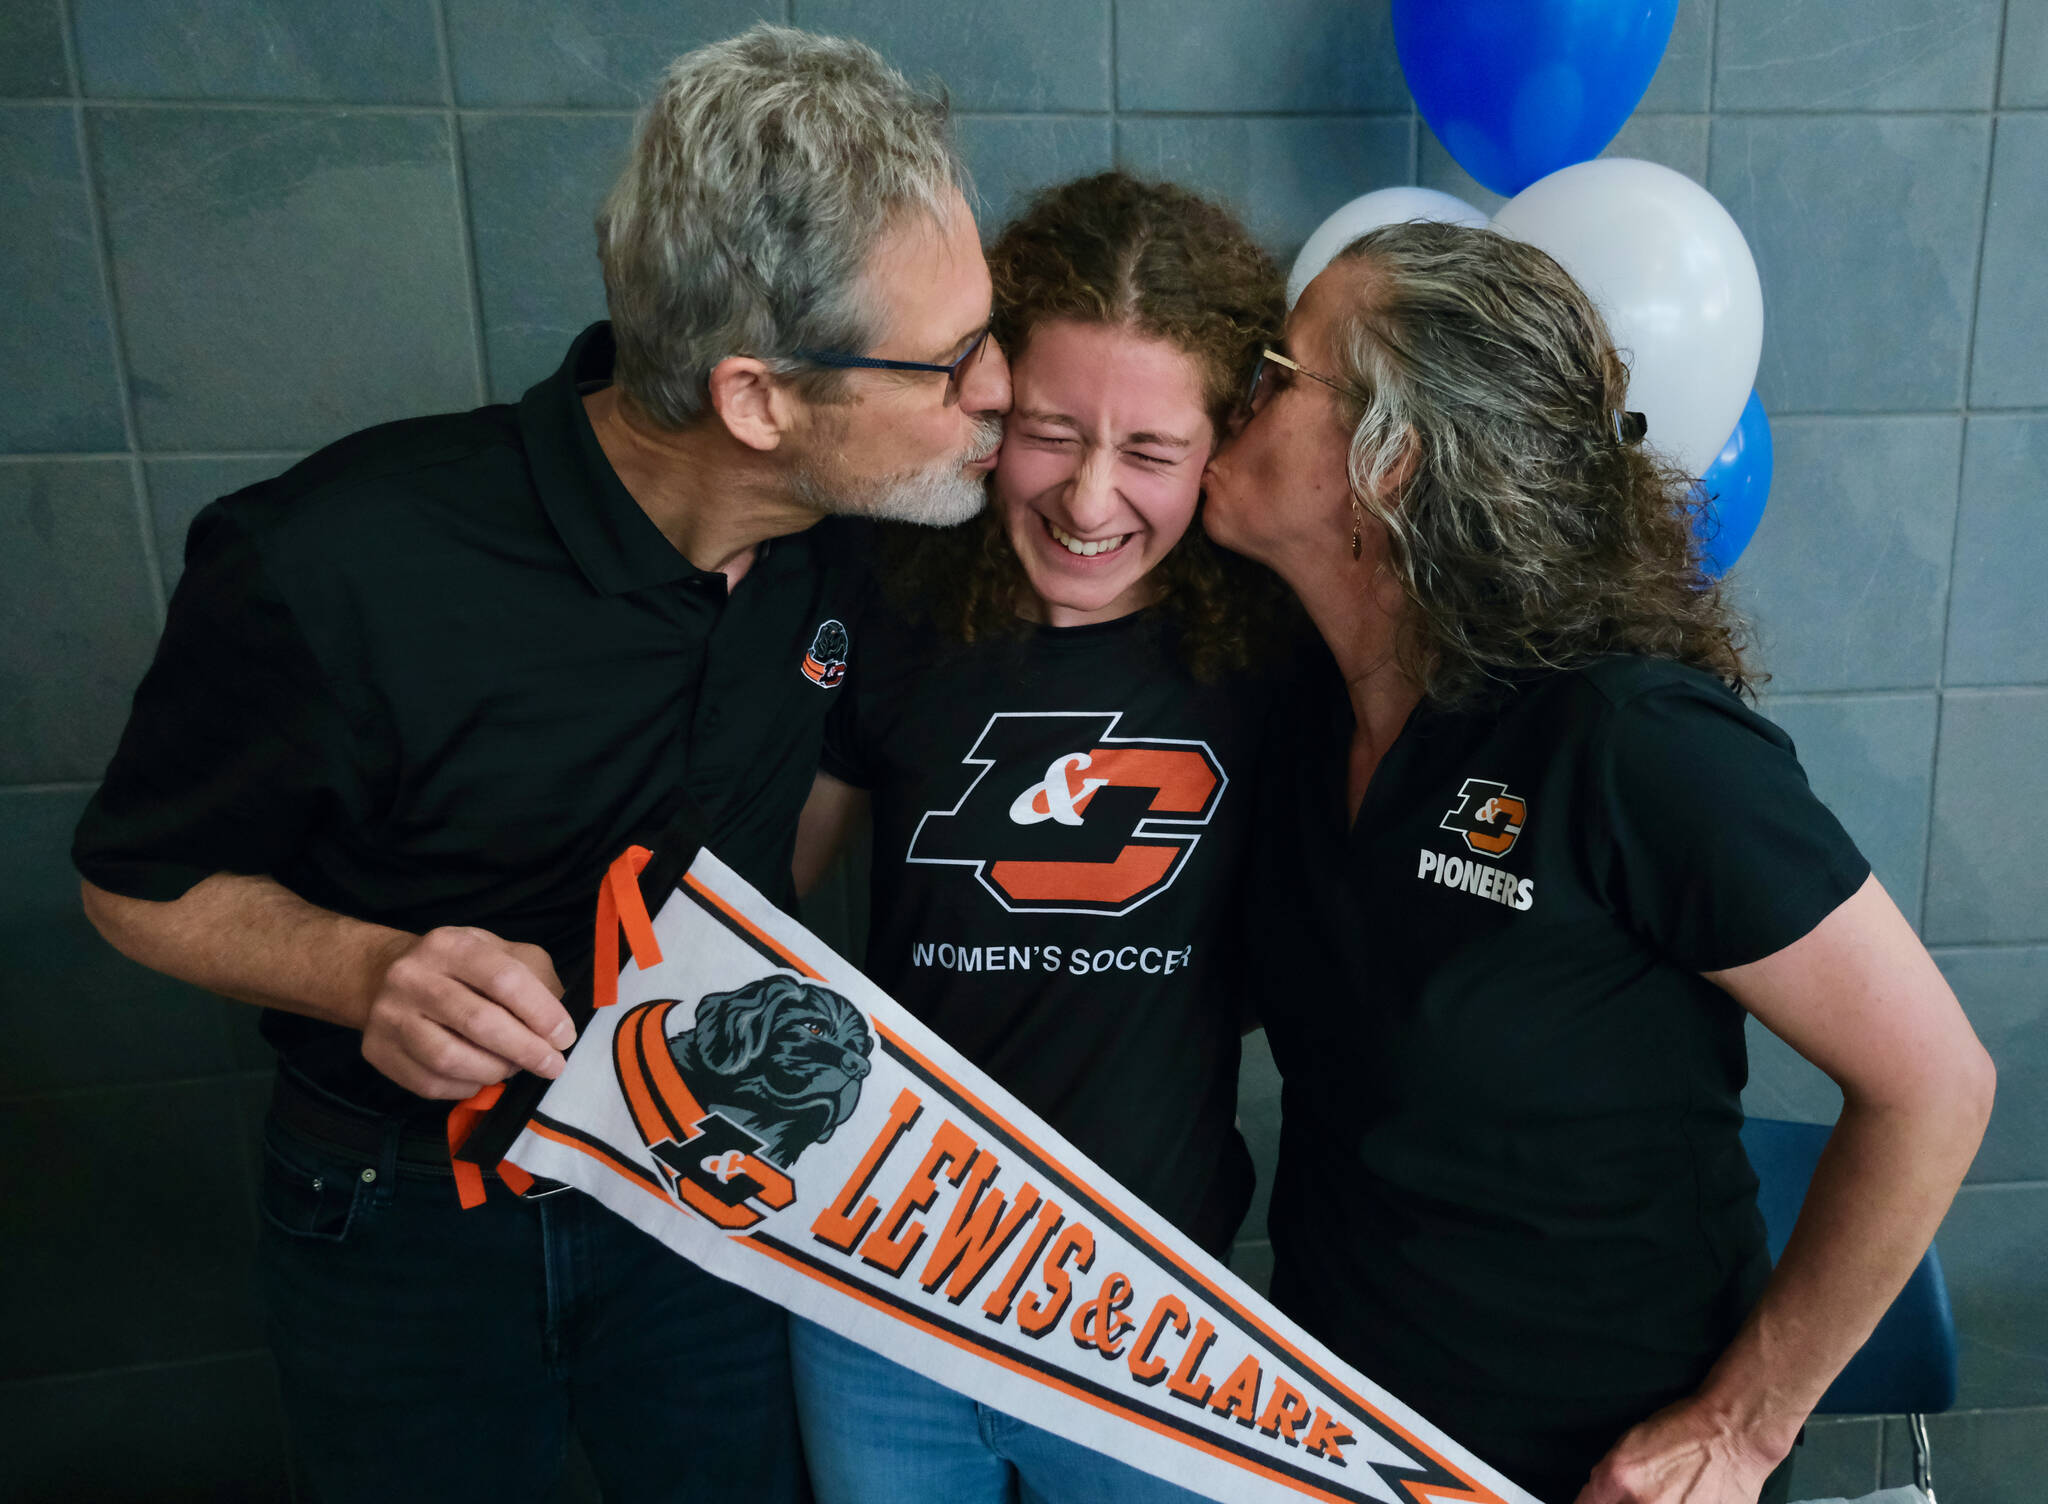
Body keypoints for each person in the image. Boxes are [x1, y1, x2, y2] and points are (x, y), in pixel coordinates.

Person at [71, 26, 1010, 1503]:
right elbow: (133, 883)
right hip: (404, 1223)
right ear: (758, 400)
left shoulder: (865, 539)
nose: (997, 391)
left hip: (707, 1200)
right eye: (952, 362)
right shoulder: (332, 566)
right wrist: (365, 970)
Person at [1200, 221, 1995, 1504]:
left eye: (1277, 371)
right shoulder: (1301, 715)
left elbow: (1937, 1086)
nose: (1232, 392)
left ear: (1388, 462)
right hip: (1346, 1445)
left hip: (1598, 1473)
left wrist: (1737, 1432)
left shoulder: (1627, 739)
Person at [785, 171, 1288, 1504]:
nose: (1089, 499)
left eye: (1152, 454)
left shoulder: (1281, 643)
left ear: (1225, 447)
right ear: (989, 402)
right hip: (881, 1288)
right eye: (1053, 434)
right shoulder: (886, 591)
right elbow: (753, 895)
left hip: (1151, 1315)